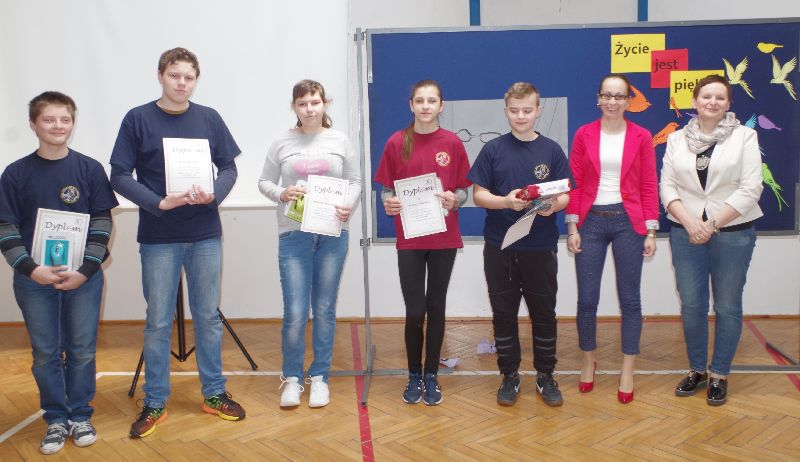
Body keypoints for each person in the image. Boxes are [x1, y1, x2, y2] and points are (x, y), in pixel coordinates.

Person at [110, 47, 245, 438]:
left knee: (207, 317)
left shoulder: (209, 118)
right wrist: (158, 202)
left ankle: (214, 394)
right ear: (160, 75)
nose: (182, 83)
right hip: (159, 236)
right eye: (175, 75)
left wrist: (215, 194)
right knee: (157, 322)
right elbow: (119, 175)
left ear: (195, 80)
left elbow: (229, 167)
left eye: (188, 77)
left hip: (204, 234)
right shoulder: (137, 118)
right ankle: (155, 401)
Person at [0, 92, 118, 454]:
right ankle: (54, 417)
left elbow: (102, 222)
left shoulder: (89, 169)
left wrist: (85, 270)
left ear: (73, 123)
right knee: (45, 353)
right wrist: (31, 269)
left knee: (82, 350)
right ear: (33, 124)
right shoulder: (15, 173)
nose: (57, 126)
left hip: (83, 279)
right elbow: (5, 227)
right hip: (34, 281)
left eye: (64, 119)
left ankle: (80, 415)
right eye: (49, 120)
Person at [660, 74, 763, 406]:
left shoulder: (745, 136)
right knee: (692, 305)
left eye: (720, 97)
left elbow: (751, 188)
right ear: (694, 101)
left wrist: (712, 223)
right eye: (706, 96)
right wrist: (691, 222)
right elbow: (667, 187)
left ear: (729, 103)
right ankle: (697, 370)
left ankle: (719, 373)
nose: (713, 102)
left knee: (727, 306)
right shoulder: (676, 139)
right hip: (685, 231)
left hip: (733, 232)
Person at [258, 79, 361, 409]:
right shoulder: (282, 142)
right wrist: (282, 192)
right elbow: (264, 181)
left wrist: (348, 205)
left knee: (325, 309)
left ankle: (319, 377)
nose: (309, 109)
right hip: (294, 233)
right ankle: (292, 378)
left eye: (315, 102)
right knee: (296, 312)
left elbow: (356, 181)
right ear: (294, 107)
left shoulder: (339, 140)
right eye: (302, 103)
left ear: (324, 104)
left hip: (332, 233)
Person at [468, 82, 571, 407]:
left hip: (540, 247)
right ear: (506, 111)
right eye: (514, 111)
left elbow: (565, 194)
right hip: (500, 247)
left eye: (527, 110)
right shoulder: (493, 149)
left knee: (544, 314)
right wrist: (505, 202)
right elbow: (478, 195)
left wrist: (553, 206)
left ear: (538, 111)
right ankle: (509, 375)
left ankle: (545, 376)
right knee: (503, 314)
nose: (521, 116)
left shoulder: (552, 150)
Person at [374, 79, 471, 406]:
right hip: (410, 239)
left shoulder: (452, 143)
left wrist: (454, 200)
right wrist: (388, 203)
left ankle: (431, 375)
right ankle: (413, 373)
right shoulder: (396, 142)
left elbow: (463, 190)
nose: (425, 106)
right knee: (415, 311)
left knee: (436, 307)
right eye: (420, 101)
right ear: (411, 105)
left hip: (444, 238)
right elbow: (386, 190)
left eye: (432, 101)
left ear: (441, 106)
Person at [565, 74, 659, 404]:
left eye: (620, 96)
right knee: (587, 299)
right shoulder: (584, 134)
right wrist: (572, 227)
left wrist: (650, 230)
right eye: (607, 95)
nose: (613, 102)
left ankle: (627, 369)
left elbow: (649, 184)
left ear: (629, 101)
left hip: (628, 222)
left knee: (630, 300)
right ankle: (588, 360)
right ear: (598, 98)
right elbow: (574, 183)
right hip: (590, 221)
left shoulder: (641, 136)